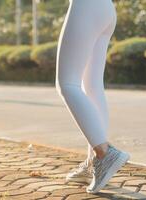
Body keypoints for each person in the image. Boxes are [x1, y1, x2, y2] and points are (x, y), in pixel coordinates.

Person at [55, 0, 130, 194]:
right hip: (105, 9)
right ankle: (94, 163)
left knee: (67, 84)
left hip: (86, 6)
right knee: (92, 86)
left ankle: (104, 153)